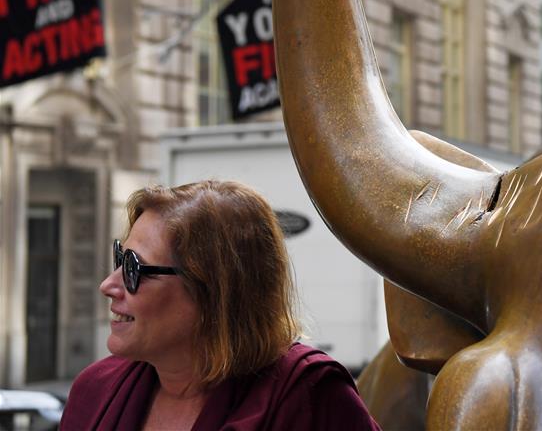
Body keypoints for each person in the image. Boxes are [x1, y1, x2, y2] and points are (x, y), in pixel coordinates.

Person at [61, 180, 381, 430]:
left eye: (133, 268)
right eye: (120, 257)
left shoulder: (311, 396)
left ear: (213, 293)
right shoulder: (96, 390)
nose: (108, 285)